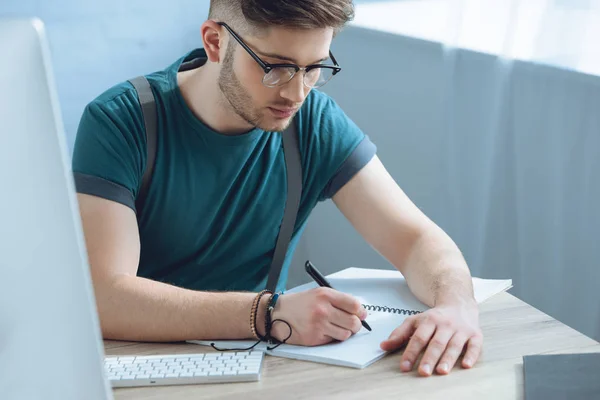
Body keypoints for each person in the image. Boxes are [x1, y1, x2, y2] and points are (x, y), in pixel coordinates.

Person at [72, 0, 482, 378]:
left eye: (313, 67)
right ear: (215, 42)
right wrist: (267, 314)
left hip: (264, 371)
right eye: (275, 67)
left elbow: (416, 239)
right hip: (138, 371)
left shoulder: (313, 123)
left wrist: (456, 307)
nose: (296, 92)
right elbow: (104, 297)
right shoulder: (122, 122)